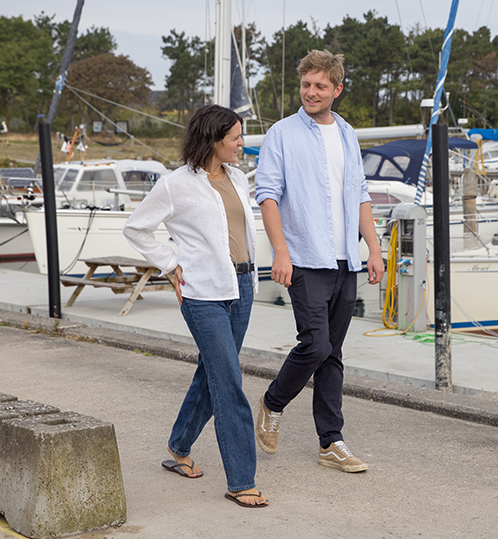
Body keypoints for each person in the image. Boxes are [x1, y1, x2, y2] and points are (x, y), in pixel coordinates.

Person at [123, 104, 268, 508]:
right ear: (214, 139)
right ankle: (241, 481)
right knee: (230, 382)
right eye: (236, 137)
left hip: (242, 286)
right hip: (202, 294)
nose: (242, 143)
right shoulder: (175, 185)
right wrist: (170, 265)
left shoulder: (238, 178)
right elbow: (135, 227)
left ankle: (178, 445)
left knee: (212, 374)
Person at [254, 49, 384, 473]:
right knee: (316, 344)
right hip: (304, 258)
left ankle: (331, 442)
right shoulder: (281, 134)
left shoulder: (347, 133)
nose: (311, 92)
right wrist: (281, 251)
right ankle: (273, 402)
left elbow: (359, 195)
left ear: (337, 90)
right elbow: (268, 195)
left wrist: (374, 249)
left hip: (345, 259)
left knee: (333, 354)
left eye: (320, 86)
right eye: (306, 84)